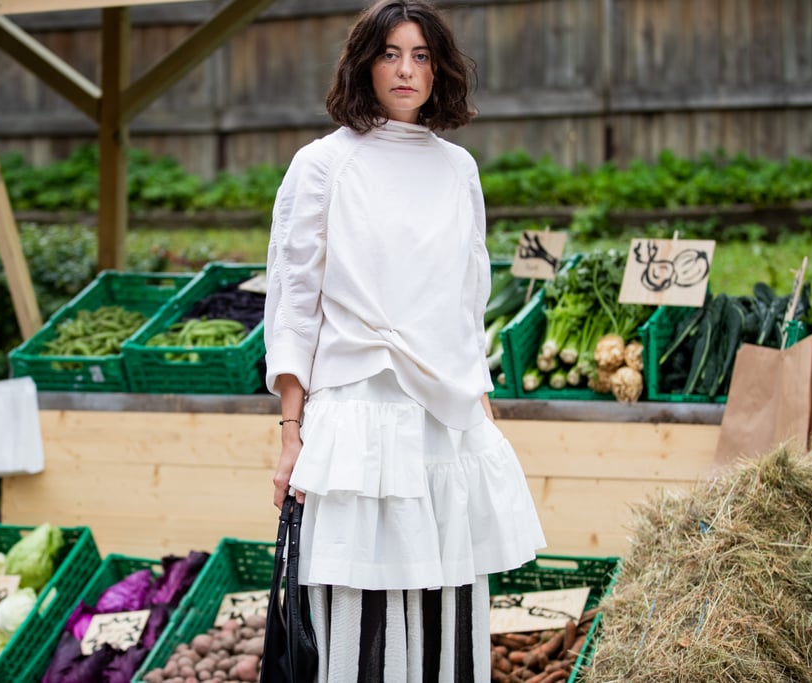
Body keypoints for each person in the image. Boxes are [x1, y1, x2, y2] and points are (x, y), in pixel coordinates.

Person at [263, 1, 546, 680]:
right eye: (390, 53)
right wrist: (290, 430)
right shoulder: (322, 164)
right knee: (358, 613)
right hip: (357, 414)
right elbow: (295, 303)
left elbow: (467, 297)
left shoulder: (459, 170)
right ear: (364, 64)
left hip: (443, 420)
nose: (406, 69)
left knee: (445, 603)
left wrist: (478, 401)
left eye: (421, 55)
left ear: (440, 70)